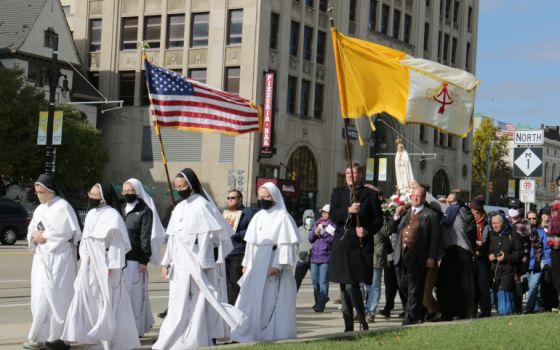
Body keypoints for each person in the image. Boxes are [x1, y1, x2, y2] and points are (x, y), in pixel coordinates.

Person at [154, 169, 243, 349]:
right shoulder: (178, 207)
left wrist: (204, 264)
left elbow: (208, 238)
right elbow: (172, 239)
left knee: (196, 303)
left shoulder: (202, 206)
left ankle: (195, 337)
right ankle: (175, 337)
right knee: (177, 302)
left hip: (195, 264)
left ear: (191, 185)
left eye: (182, 186)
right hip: (178, 266)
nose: (179, 189)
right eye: (176, 187)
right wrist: (165, 263)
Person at [62, 183, 140, 350]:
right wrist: (85, 257)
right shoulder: (90, 214)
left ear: (103, 198)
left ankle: (107, 341)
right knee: (87, 300)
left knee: (106, 302)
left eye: (94, 195)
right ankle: (89, 337)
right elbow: (85, 239)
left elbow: (118, 244)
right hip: (89, 265)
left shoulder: (113, 216)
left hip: (106, 266)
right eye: (90, 194)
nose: (91, 198)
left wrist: (111, 265)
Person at [231, 182, 299, 342]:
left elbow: (286, 244)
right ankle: (246, 332)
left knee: (269, 300)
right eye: (261, 197)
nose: (263, 200)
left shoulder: (283, 217)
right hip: (256, 263)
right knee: (249, 298)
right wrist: (246, 263)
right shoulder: (258, 216)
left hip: (272, 262)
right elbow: (250, 243)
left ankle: (269, 332)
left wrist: (278, 265)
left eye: (267, 196)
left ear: (275, 197)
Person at [23, 175, 81, 350]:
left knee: (58, 298)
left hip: (60, 260)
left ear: (50, 191)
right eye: (36, 192)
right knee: (39, 297)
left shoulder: (63, 207)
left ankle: (58, 338)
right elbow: (32, 227)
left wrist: (44, 236)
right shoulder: (40, 208)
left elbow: (66, 232)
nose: (38, 195)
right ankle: (39, 336)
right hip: (42, 260)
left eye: (41, 192)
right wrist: (33, 235)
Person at [328, 163, 383, 332]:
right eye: (347, 173)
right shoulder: (338, 193)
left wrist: (366, 230)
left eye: (353, 173)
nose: (349, 175)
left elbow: (378, 220)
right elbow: (333, 215)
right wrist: (348, 211)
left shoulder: (370, 195)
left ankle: (361, 318)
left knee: (352, 285)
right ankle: (348, 326)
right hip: (342, 242)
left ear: (360, 175)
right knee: (344, 286)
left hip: (359, 245)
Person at [121, 178, 165, 337]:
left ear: (138, 192)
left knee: (135, 295)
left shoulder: (145, 211)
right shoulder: (121, 208)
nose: (127, 194)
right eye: (125, 191)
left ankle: (135, 329)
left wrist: (143, 260)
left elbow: (145, 237)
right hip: (119, 260)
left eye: (130, 191)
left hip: (135, 260)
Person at [391, 185, 441, 325]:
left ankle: (410, 317)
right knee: (402, 285)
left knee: (414, 287)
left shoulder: (430, 214)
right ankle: (418, 312)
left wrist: (431, 257)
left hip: (418, 256)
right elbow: (393, 229)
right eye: (414, 195)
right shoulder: (405, 212)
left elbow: (435, 239)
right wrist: (395, 216)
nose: (416, 198)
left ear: (423, 198)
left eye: (419, 196)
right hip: (401, 255)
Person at [436, 191, 476, 320]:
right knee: (446, 284)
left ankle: (464, 311)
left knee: (463, 284)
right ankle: (448, 311)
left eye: (449, 199)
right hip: (451, 250)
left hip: (461, 249)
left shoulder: (459, 210)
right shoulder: (451, 211)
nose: (446, 200)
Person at [223, 189, 257, 304]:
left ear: (240, 199)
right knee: (227, 282)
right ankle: (229, 305)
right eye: (228, 198)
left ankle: (237, 306)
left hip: (239, 252)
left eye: (233, 198)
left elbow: (252, 231)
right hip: (226, 251)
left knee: (236, 281)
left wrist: (237, 234)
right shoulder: (226, 212)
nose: (230, 200)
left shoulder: (248, 213)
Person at [486, 212, 522, 316]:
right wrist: (489, 256)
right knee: (499, 293)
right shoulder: (491, 235)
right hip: (495, 271)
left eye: (497, 223)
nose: (494, 225)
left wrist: (505, 257)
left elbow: (520, 253)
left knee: (504, 291)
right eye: (493, 223)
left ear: (503, 223)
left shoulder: (513, 234)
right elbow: (485, 250)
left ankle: (506, 313)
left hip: (509, 270)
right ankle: (508, 312)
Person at [364, 185, 390, 323]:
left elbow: (386, 232)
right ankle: (360, 310)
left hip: (376, 254)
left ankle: (371, 311)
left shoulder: (385, 212)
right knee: (362, 284)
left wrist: (381, 217)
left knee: (374, 285)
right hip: (364, 253)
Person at [308, 204, 335, 312]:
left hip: (326, 258)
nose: (323, 213)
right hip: (314, 257)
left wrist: (323, 232)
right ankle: (318, 300)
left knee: (323, 282)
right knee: (315, 282)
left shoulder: (333, 225)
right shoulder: (317, 223)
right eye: (322, 212)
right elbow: (310, 238)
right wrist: (315, 233)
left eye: (326, 212)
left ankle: (321, 303)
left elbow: (332, 241)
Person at [470, 196, 492, 317]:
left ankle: (485, 310)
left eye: (475, 211)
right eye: (472, 211)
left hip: (483, 257)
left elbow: (487, 240)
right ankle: (472, 310)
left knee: (483, 284)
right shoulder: (469, 221)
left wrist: (481, 245)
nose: (473, 214)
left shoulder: (486, 222)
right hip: (471, 256)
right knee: (472, 285)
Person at [508, 199, 531, 314]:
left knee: (518, 283)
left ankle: (517, 308)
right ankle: (509, 306)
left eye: (514, 208)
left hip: (522, 259)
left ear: (521, 210)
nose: (511, 211)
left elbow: (535, 242)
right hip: (507, 258)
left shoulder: (526, 224)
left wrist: (535, 260)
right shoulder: (506, 223)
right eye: (510, 208)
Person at [525, 209, 550, 313]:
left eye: (534, 218)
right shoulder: (523, 231)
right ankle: (535, 308)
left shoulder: (542, 233)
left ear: (537, 219)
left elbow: (547, 249)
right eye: (529, 218)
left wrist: (547, 262)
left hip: (537, 263)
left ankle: (528, 309)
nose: (532, 220)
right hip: (525, 264)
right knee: (530, 287)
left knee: (533, 286)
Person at [295, 209, 315, 291]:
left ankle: (318, 302)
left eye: (310, 217)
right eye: (307, 217)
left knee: (316, 282)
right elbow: (295, 245)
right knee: (296, 281)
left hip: (314, 260)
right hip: (301, 260)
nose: (309, 220)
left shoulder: (317, 229)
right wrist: (298, 255)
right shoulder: (299, 229)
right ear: (303, 218)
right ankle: (291, 300)